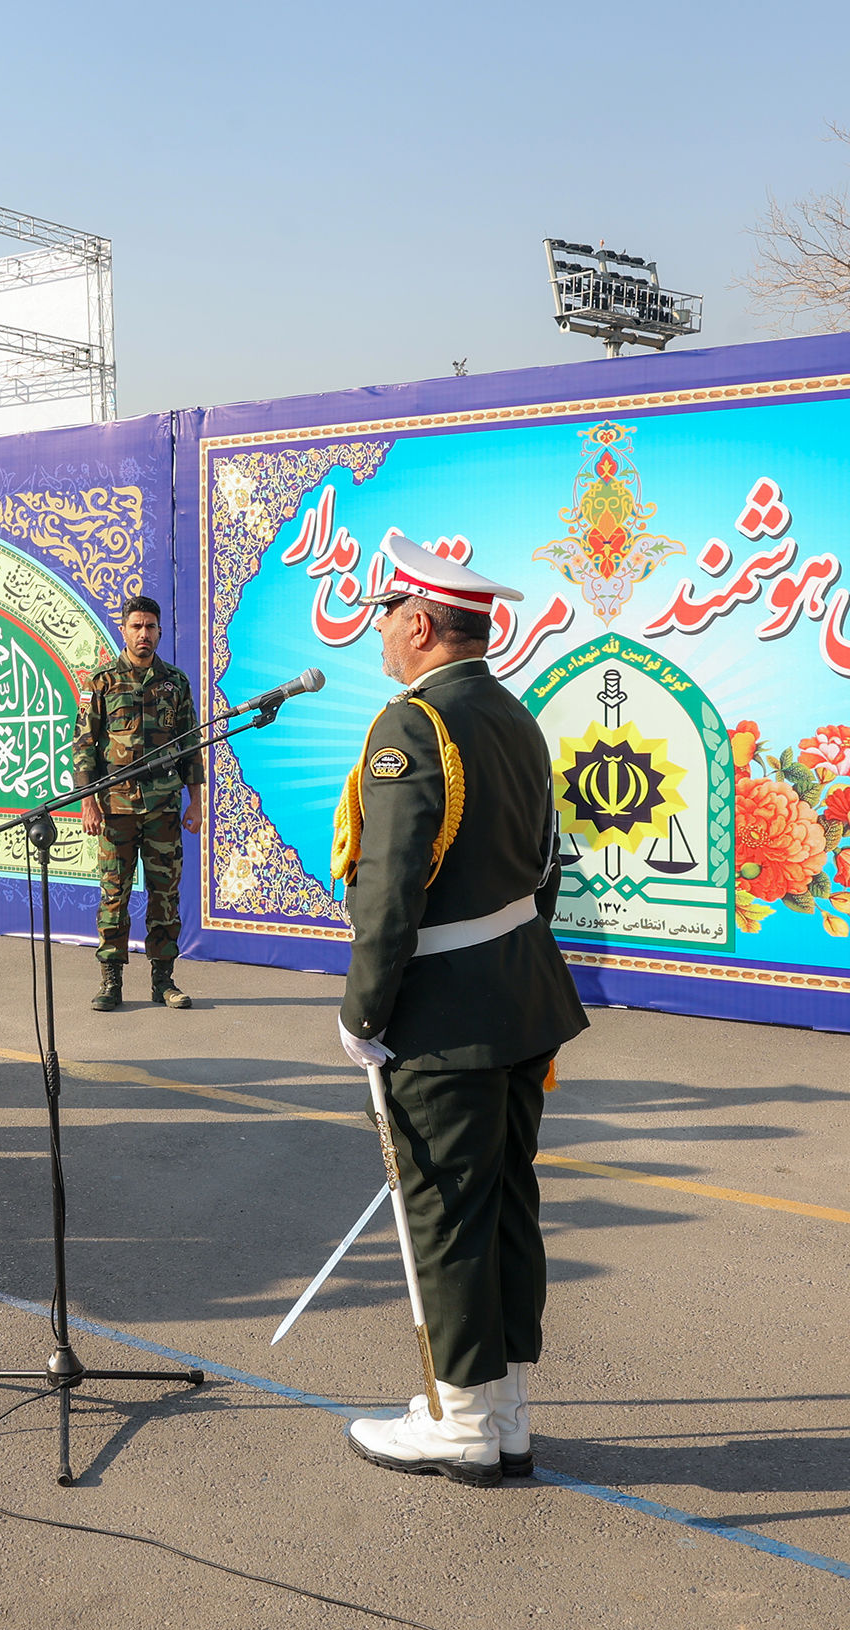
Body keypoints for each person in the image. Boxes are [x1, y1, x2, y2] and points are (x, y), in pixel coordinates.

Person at [335, 532, 587, 1488]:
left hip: (443, 1018)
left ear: (426, 622)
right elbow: (544, 869)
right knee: (506, 1207)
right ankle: (504, 1409)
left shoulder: (413, 726)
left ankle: (463, 1423)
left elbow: (388, 891)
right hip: (522, 997)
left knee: (443, 1211)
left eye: (389, 619)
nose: (382, 637)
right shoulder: (514, 715)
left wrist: (366, 1013)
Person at [72, 594, 204, 1012]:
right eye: (136, 627)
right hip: (116, 811)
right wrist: (88, 804)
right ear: (124, 630)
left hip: (164, 809)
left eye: (150, 627)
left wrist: (196, 802)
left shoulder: (176, 683)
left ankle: (163, 981)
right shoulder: (102, 682)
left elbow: (191, 747)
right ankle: (111, 982)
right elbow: (83, 747)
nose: (143, 634)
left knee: (165, 896)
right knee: (115, 895)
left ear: (159, 632)